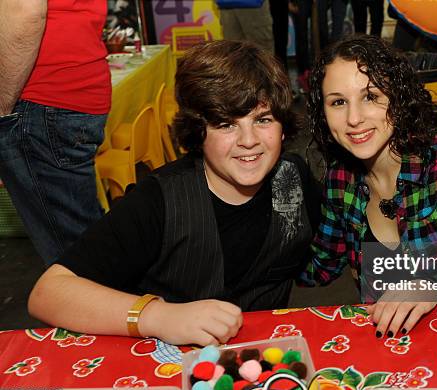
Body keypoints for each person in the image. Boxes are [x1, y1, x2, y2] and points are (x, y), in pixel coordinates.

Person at [28, 41, 321, 347]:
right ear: (198, 132)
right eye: (226, 124)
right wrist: (158, 316)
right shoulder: (159, 200)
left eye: (262, 120)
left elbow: (345, 239)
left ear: (283, 128)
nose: (249, 140)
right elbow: (48, 294)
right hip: (169, 367)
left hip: (265, 364)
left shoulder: (294, 179)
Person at [302, 36, 437, 339]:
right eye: (338, 102)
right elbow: (319, 267)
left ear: (398, 97)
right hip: (393, 345)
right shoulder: (340, 179)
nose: (353, 118)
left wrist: (432, 285)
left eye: (370, 96)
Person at [0, 0, 110, 266]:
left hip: (37, 98)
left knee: (76, 261)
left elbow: (25, 10)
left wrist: (2, 108)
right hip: (62, 95)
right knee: (84, 239)